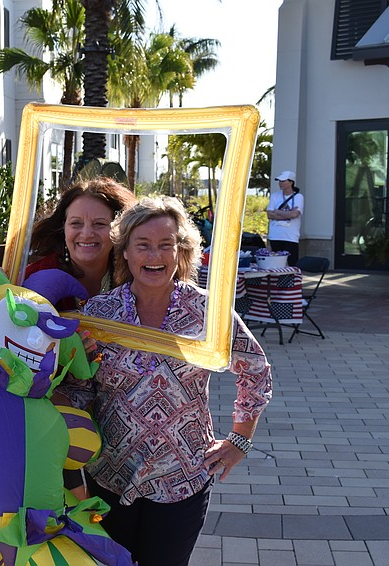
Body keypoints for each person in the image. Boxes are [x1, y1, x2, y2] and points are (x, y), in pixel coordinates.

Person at [57, 196, 273, 566]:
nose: (153, 255)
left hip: (183, 476)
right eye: (142, 245)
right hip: (109, 474)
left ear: (181, 250)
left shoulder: (209, 313)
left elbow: (255, 369)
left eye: (165, 245)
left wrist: (240, 441)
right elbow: (78, 387)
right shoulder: (100, 313)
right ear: (124, 252)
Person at [25, 177, 136, 309]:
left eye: (99, 224)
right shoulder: (33, 275)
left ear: (120, 229)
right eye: (76, 223)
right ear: (63, 228)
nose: (86, 234)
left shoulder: (135, 276)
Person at [266, 169, 304, 266]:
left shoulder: (298, 197)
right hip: (275, 235)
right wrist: (288, 214)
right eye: (279, 181)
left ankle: (291, 281)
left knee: (292, 264)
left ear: (291, 182)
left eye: (283, 181)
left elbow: (295, 215)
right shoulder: (275, 196)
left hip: (290, 236)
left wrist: (278, 212)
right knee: (275, 264)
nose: (280, 183)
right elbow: (269, 214)